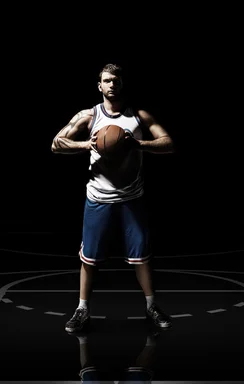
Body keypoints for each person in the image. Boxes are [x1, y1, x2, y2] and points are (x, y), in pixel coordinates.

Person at [51, 63, 175, 334]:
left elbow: (168, 142)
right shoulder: (89, 115)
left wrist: (138, 144)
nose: (111, 85)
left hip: (132, 197)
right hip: (98, 198)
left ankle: (151, 306)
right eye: (106, 81)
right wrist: (87, 144)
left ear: (122, 84)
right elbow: (56, 143)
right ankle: (82, 309)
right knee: (89, 258)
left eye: (116, 80)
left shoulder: (138, 116)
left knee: (142, 255)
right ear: (100, 86)